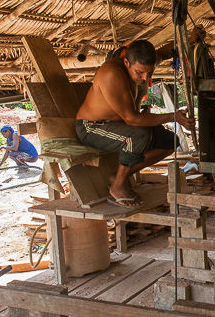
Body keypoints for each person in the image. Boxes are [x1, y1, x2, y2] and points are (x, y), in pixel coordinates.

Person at [75, 39, 193, 207]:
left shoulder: (142, 63)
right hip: (92, 128)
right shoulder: (112, 74)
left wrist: (189, 39)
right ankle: (117, 186)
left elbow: (165, 51)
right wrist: (173, 116)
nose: (145, 78)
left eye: (149, 73)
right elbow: (132, 119)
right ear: (126, 62)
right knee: (139, 136)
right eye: (139, 72)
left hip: (120, 126)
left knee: (170, 141)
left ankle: (118, 176)